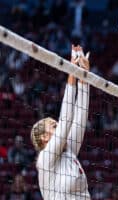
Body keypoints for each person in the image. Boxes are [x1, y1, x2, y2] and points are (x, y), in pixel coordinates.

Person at [30, 45, 91, 199]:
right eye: (54, 126)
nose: (59, 128)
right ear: (44, 137)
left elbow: (80, 117)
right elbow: (66, 120)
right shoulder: (46, 158)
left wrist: (84, 76)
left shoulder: (69, 152)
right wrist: (72, 71)